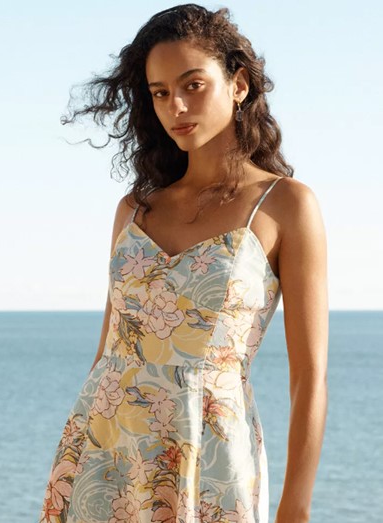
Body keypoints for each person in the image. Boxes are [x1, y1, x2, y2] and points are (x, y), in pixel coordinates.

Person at [38, 5, 327, 522]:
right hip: (103, 453)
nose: (177, 106)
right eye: (161, 93)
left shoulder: (286, 206)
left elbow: (309, 377)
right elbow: (108, 350)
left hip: (210, 458)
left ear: (238, 85)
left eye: (193, 85)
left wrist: (296, 508)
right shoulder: (135, 208)